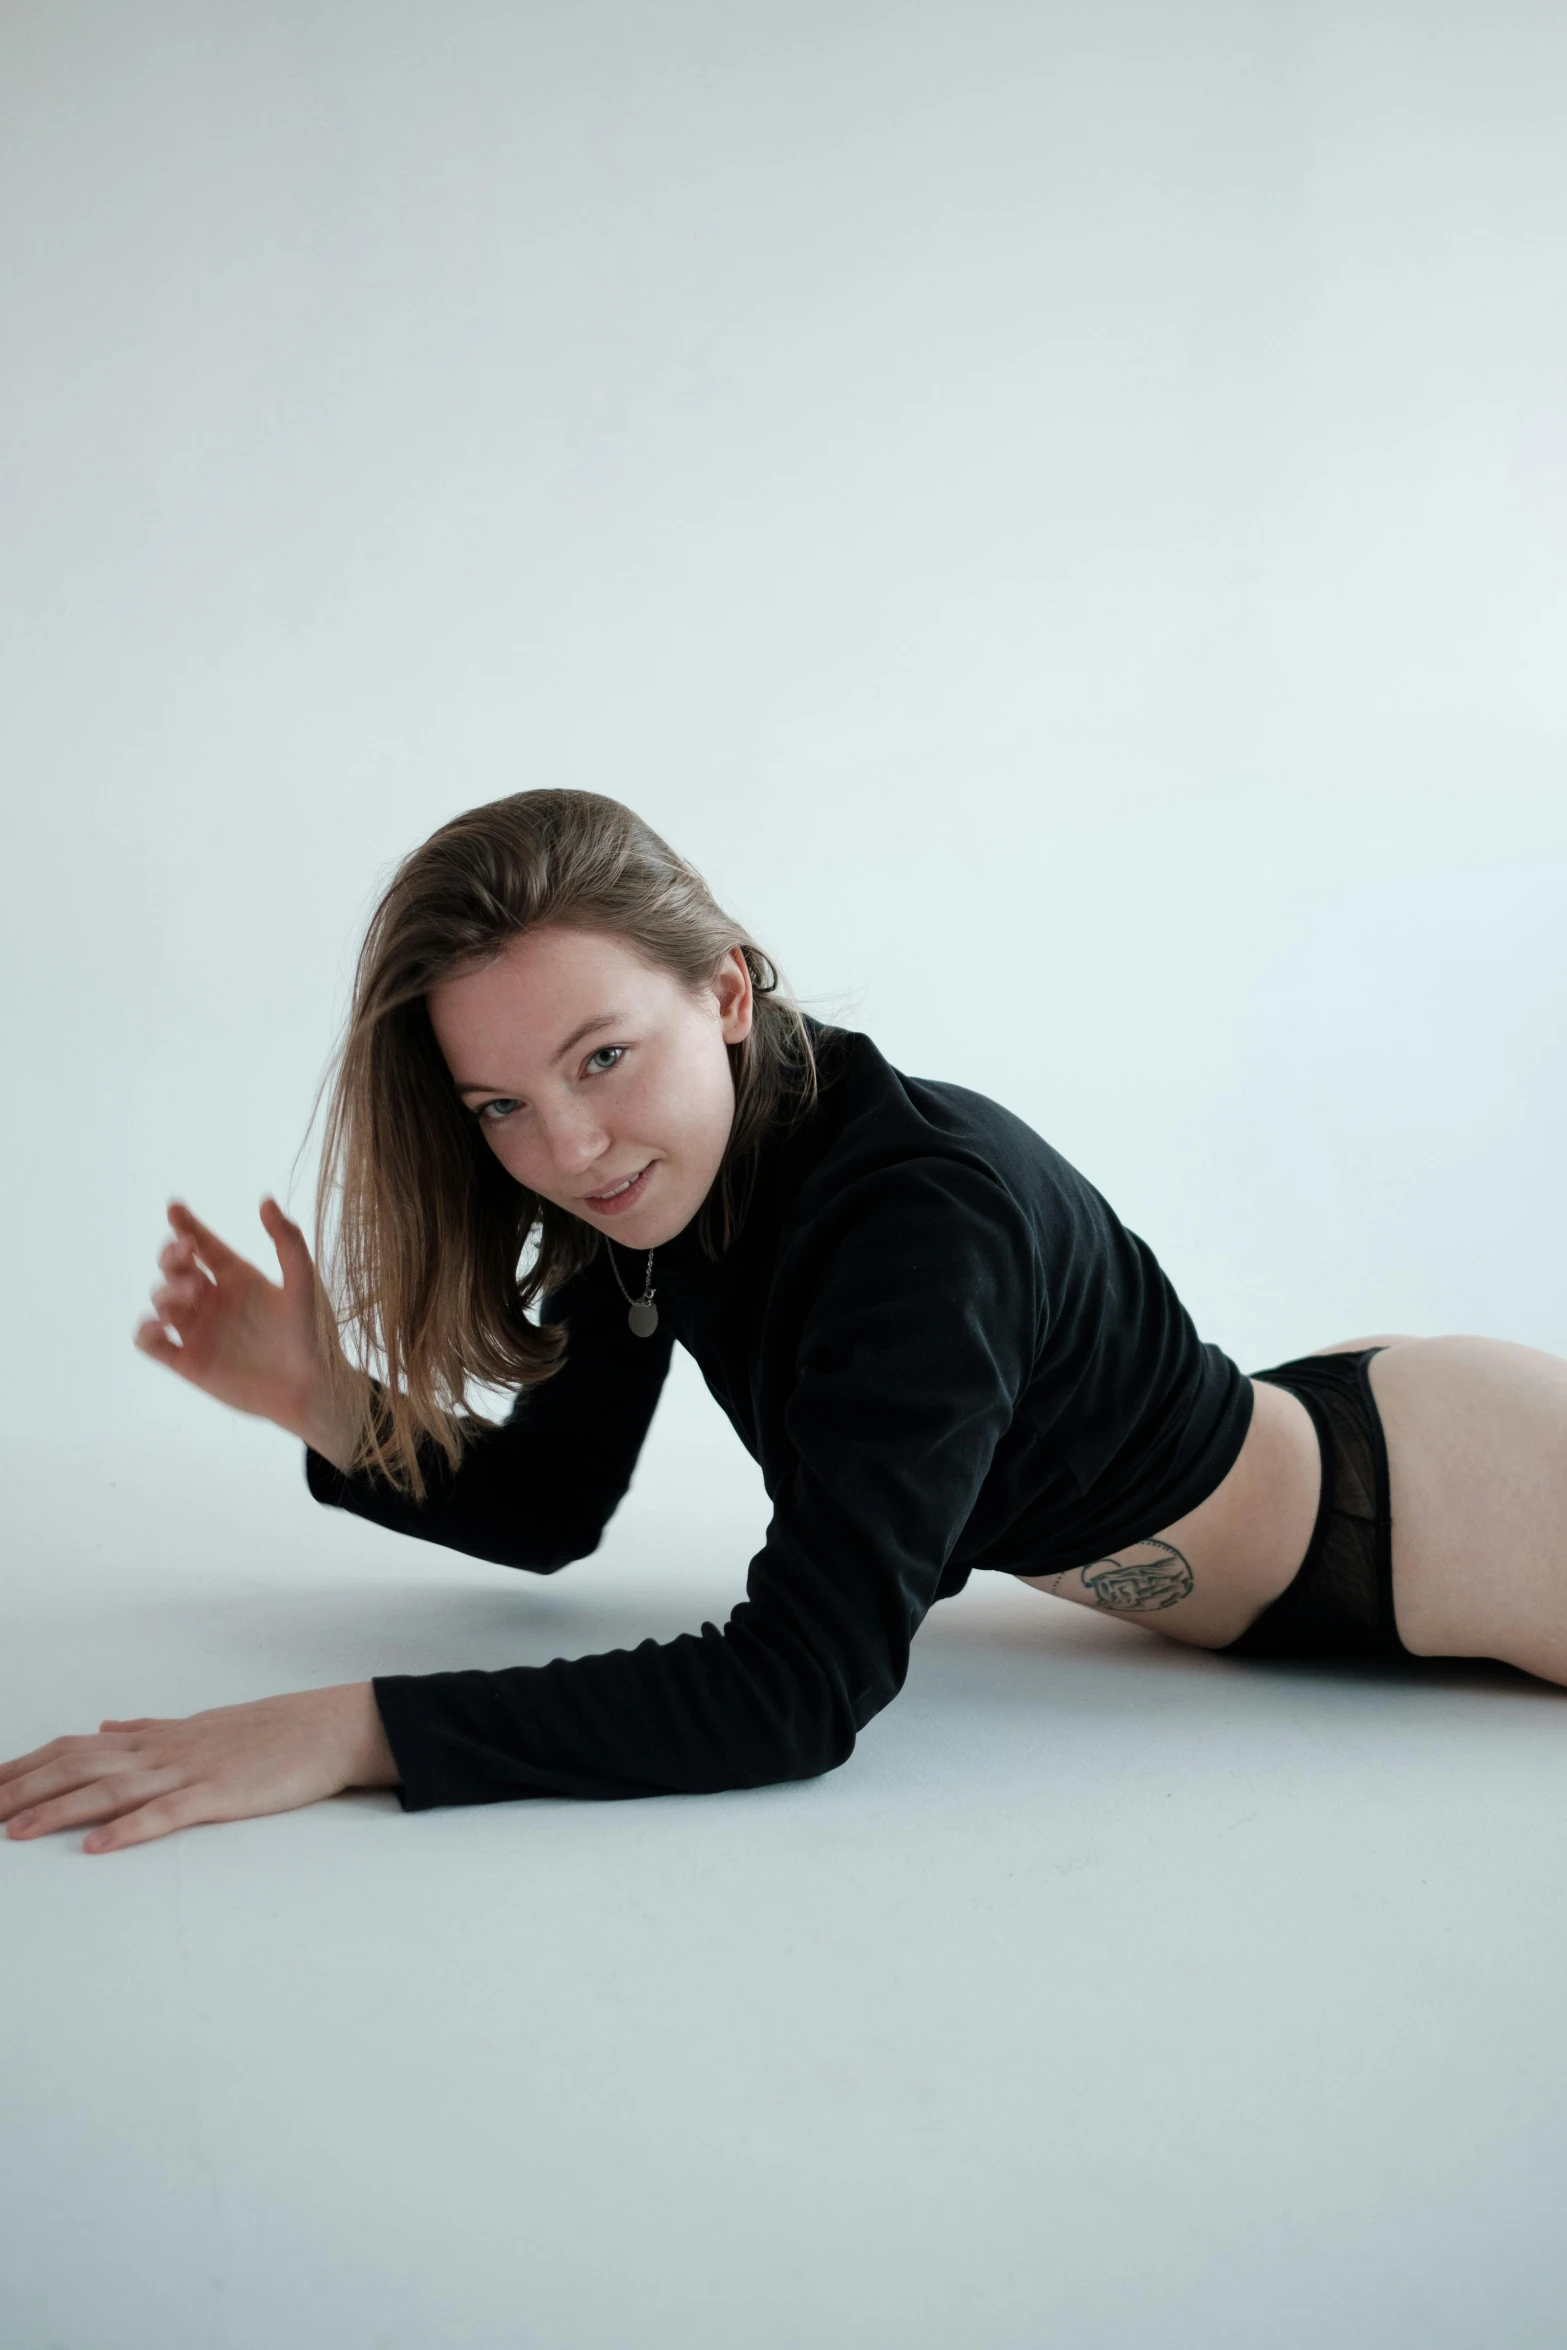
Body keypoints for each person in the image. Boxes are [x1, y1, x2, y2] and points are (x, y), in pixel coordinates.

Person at [5, 791, 1565, 1855]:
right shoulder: (653, 1201)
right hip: (1303, 1498)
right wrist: (330, 1401)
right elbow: (552, 1508)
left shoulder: (914, 1223)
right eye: (501, 1104)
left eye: (602, 1056)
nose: (566, 1148)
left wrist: (352, 1731)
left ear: (728, 993)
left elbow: (798, 1685)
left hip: (1429, 1513)